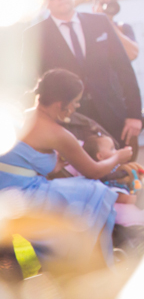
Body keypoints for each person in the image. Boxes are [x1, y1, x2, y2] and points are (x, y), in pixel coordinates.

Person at [0, 69, 134, 267]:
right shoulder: (57, 133)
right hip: (24, 196)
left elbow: (17, 162)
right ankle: (95, 263)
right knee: (97, 191)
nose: (77, 106)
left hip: (7, 191)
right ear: (62, 105)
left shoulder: (20, 116)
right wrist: (117, 157)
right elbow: (95, 171)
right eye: (75, 101)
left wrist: (54, 165)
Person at [22, 0, 143, 157]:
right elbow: (31, 83)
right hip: (69, 124)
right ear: (45, 2)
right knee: (85, 178)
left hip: (114, 115)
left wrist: (134, 115)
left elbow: (124, 69)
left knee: (126, 174)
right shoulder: (35, 35)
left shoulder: (100, 23)